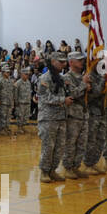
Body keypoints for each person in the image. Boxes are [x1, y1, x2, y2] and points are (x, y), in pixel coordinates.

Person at [37, 52, 69, 182]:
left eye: (65, 62)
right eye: (61, 62)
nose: (64, 64)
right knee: (48, 147)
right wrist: (63, 100)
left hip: (61, 117)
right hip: (48, 118)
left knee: (59, 147)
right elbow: (45, 97)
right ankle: (44, 172)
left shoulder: (60, 78)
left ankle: (53, 170)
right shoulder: (44, 78)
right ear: (53, 61)